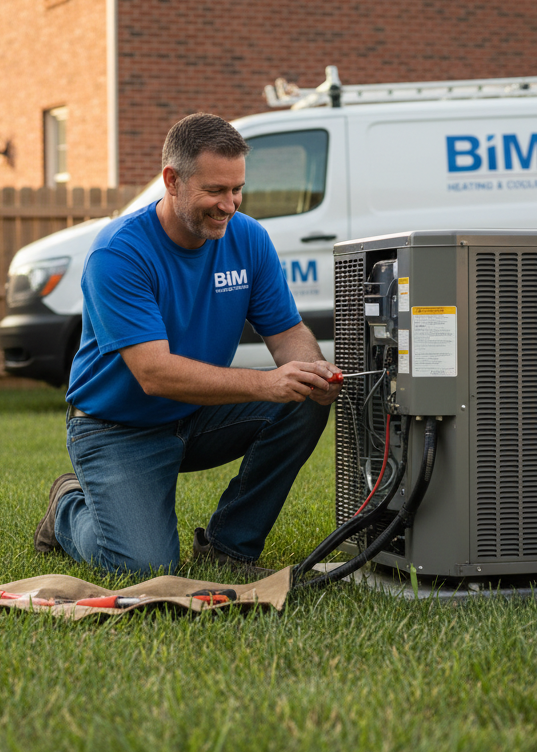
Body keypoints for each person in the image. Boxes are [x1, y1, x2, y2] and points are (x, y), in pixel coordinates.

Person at [33, 112, 341, 575]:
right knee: (143, 567)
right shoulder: (118, 253)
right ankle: (67, 509)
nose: (229, 205)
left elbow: (289, 334)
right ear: (171, 181)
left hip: (196, 416)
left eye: (236, 189)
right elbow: (153, 373)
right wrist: (265, 384)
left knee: (302, 398)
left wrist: (313, 372)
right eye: (214, 191)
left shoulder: (249, 239)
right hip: (117, 428)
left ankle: (229, 547)